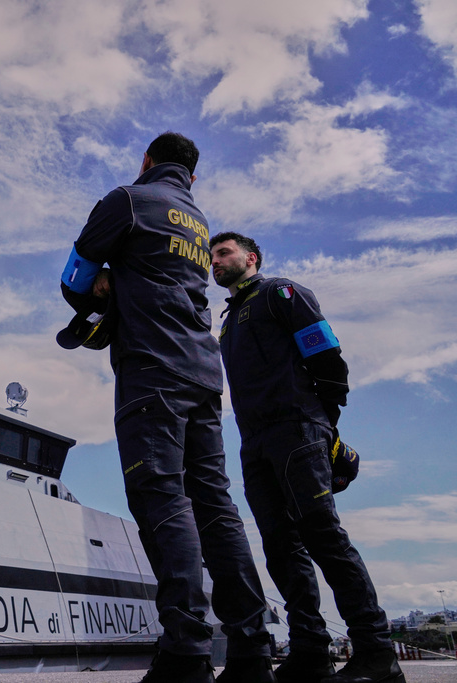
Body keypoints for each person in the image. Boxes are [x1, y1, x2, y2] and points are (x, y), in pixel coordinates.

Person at [59, 133, 274, 683]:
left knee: (160, 496)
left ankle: (186, 650)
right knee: (214, 505)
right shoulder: (198, 224)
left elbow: (74, 274)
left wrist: (96, 291)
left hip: (152, 370)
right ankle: (250, 649)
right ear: (192, 177)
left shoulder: (129, 200)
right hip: (204, 374)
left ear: (147, 162)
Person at [211, 232, 404, 683]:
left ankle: (378, 654)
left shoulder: (281, 292)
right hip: (254, 442)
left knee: (323, 538)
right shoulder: (228, 319)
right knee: (280, 548)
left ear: (250, 257)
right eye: (211, 255)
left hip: (297, 428)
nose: (214, 261)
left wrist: (321, 424)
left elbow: (326, 355)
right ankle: (312, 652)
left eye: (223, 253)